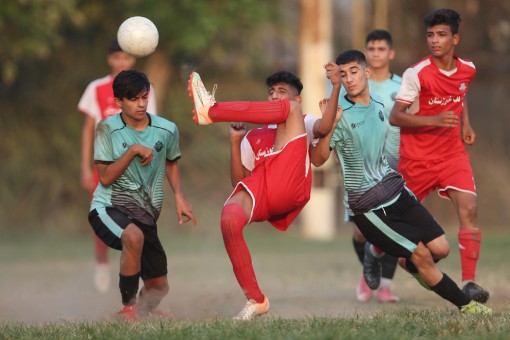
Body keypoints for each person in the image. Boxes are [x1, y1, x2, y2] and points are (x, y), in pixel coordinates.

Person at [312, 49, 492, 316]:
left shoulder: (380, 106)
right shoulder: (337, 113)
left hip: (397, 191)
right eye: (343, 75)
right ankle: (467, 307)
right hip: (368, 206)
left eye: (354, 72)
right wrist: (330, 125)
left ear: (367, 72)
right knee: (421, 256)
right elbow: (317, 159)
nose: (349, 79)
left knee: (440, 248)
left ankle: (379, 255)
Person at [187, 70, 337, 320]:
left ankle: (211, 112)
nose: (275, 96)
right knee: (229, 218)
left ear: (298, 99)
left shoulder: (303, 118)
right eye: (271, 92)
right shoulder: (253, 136)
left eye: (282, 92)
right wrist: (236, 140)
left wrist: (336, 89)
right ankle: (256, 299)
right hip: (264, 193)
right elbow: (240, 183)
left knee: (289, 112)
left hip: (291, 188)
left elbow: (321, 148)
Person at [389, 8, 489, 303]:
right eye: (431, 35)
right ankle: (379, 255)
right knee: (393, 224)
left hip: (451, 155)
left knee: (469, 208)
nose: (435, 40)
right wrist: (434, 120)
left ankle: (469, 282)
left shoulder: (468, 68)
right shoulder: (416, 73)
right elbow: (396, 116)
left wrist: (464, 123)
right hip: (416, 160)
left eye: (442, 35)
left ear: (455, 38)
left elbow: (460, 94)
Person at [88, 70, 195, 321]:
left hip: (146, 216)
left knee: (159, 287)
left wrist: (179, 196)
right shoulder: (107, 129)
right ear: (119, 102)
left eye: (145, 97)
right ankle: (128, 310)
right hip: (107, 207)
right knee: (133, 237)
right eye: (134, 99)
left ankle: (144, 312)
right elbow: (104, 177)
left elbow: (171, 163)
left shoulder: (166, 129)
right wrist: (133, 150)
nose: (141, 104)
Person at [78, 38, 157, 293]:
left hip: (134, 166)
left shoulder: (147, 89)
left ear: (134, 58)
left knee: (138, 219)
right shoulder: (97, 88)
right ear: (109, 59)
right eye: (117, 57)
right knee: (101, 215)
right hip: (105, 166)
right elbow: (89, 129)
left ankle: (140, 272)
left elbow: (151, 127)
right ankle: (102, 264)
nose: (121, 61)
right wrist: (84, 166)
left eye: (126, 57)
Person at [340, 29, 402, 303]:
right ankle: (368, 275)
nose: (376, 54)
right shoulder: (353, 86)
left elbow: (410, 123)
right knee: (360, 230)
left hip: (393, 165)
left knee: (391, 227)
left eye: (381, 49)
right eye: (371, 49)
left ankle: (385, 285)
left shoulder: (402, 87)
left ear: (390, 53)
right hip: (358, 166)